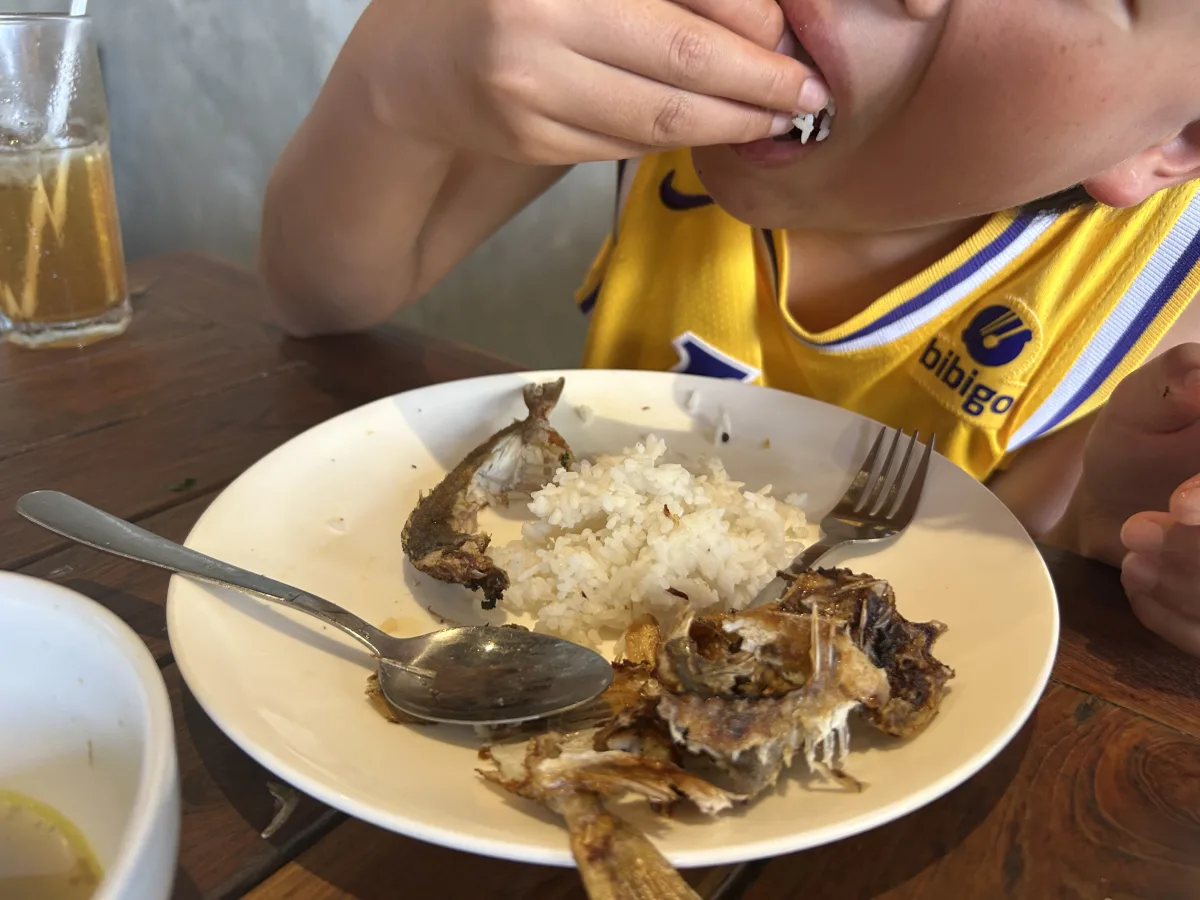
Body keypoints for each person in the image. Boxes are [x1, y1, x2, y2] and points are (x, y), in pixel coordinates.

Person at [258, 0, 1200, 657]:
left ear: (1176, 141)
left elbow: (1013, 602)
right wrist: (395, 76)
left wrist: (1123, 546)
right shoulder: (650, 55)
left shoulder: (1157, 305)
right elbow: (322, 303)